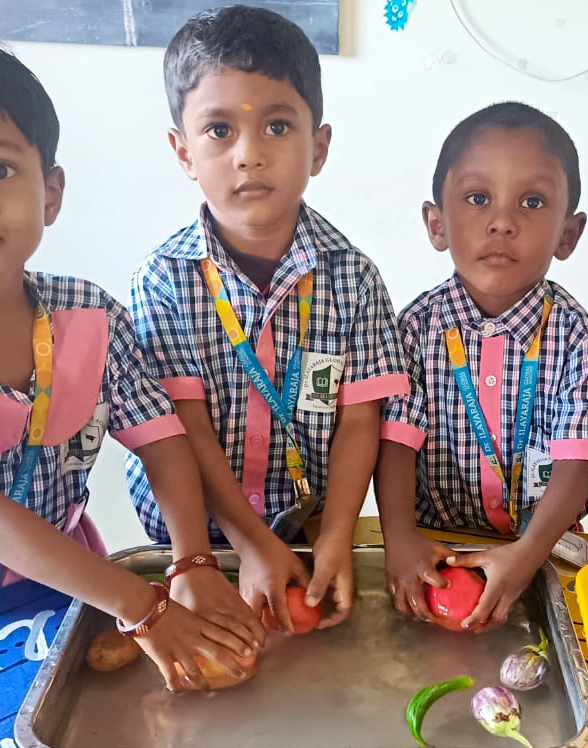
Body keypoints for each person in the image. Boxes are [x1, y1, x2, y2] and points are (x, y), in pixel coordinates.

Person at [0, 27, 261, 692]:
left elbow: (160, 439)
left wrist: (191, 562)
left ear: (52, 191)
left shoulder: (89, 317)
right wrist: (144, 605)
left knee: (65, 716)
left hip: (68, 566)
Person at [129, 6, 408, 631]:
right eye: (219, 131)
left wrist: (338, 533)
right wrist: (248, 543)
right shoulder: (164, 280)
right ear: (183, 151)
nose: (249, 154)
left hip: (306, 525)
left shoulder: (352, 277)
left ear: (319, 147)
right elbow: (184, 428)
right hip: (197, 542)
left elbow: (359, 419)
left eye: (277, 126)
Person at [377, 103, 588, 627]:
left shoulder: (576, 335)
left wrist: (527, 555)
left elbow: (574, 470)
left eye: (532, 201)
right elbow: (393, 447)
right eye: (478, 199)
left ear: (567, 235)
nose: (502, 222)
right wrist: (401, 539)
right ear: (437, 223)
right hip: (436, 551)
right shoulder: (413, 329)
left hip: (541, 548)